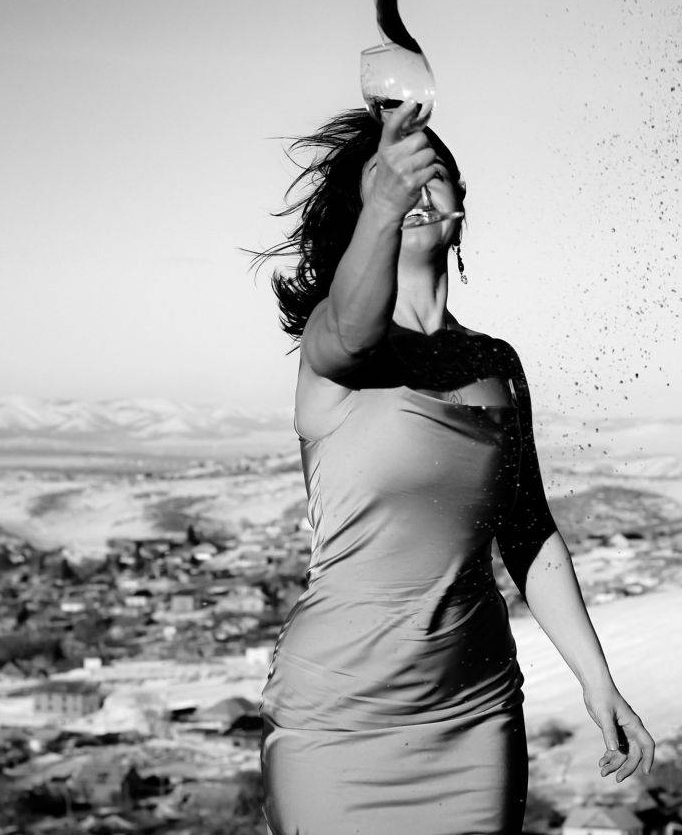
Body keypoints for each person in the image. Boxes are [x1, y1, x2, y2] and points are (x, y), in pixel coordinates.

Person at [255, 101, 654, 835]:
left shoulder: (495, 363)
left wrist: (598, 682)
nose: (411, 187)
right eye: (385, 180)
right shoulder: (337, 349)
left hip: (476, 711)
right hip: (339, 719)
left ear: (460, 200)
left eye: (428, 172)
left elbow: (529, 533)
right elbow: (353, 325)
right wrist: (385, 204)